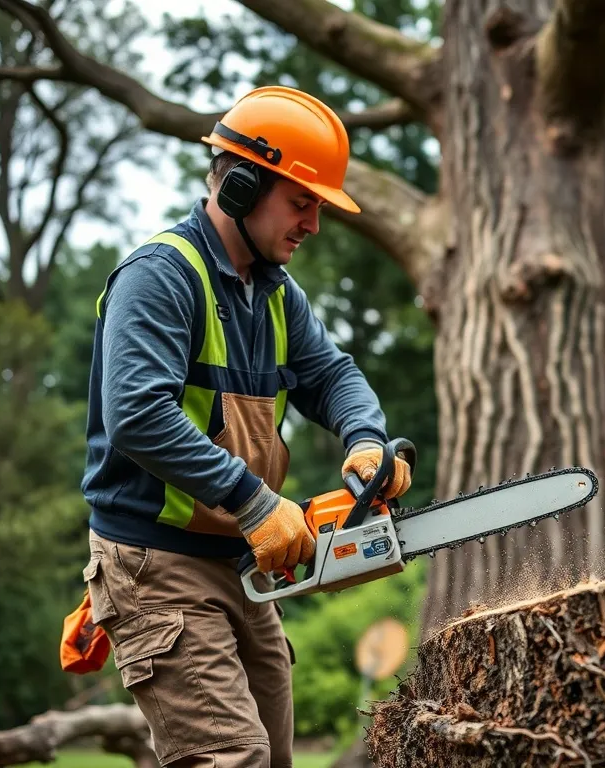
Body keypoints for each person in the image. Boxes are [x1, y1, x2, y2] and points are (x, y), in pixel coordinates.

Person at [77, 85, 412, 768]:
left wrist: (366, 439)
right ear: (242, 186)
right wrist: (255, 500)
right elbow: (137, 415)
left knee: (273, 757)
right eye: (302, 202)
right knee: (232, 759)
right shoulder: (162, 276)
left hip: (241, 557)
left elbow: (331, 375)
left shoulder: (276, 293)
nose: (313, 224)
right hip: (157, 563)